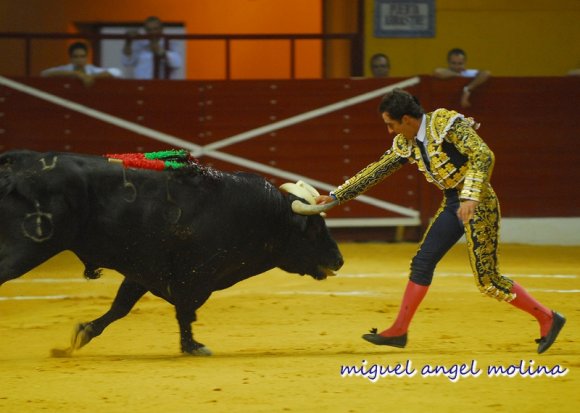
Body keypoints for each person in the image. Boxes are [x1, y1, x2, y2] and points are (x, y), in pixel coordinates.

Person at [315, 88, 565, 354]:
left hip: (478, 200)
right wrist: (335, 196)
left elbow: (483, 155)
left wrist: (470, 196)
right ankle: (399, 330)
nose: (390, 132)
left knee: (488, 280)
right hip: (453, 203)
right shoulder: (407, 142)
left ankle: (548, 318)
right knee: (422, 262)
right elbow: (378, 170)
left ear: (407, 120)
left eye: (391, 125)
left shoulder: (446, 124)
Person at [41, 42, 122, 87]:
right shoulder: (66, 69)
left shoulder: (91, 69)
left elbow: (117, 72)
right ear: (71, 58)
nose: (79, 59)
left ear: (87, 57)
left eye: (82, 56)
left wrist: (90, 76)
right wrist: (76, 73)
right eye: (76, 57)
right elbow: (45, 73)